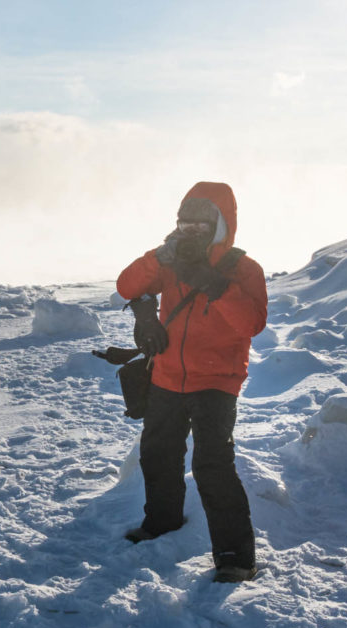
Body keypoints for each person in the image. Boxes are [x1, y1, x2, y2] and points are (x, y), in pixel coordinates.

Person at [115, 181, 268, 583]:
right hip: (168, 376)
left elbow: (251, 324)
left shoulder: (242, 269)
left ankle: (236, 557)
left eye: (201, 227)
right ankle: (162, 523)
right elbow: (127, 285)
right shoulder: (169, 263)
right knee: (158, 452)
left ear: (220, 226)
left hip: (217, 381)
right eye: (185, 225)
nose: (191, 233)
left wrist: (216, 286)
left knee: (212, 464)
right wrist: (158, 261)